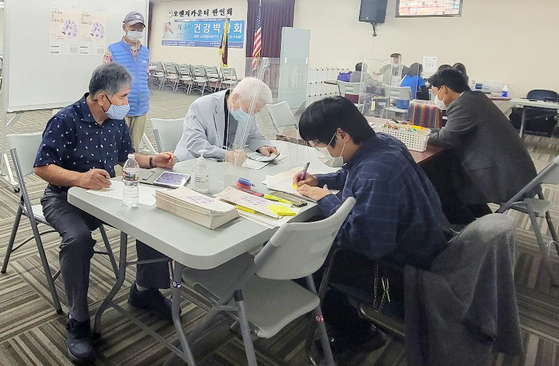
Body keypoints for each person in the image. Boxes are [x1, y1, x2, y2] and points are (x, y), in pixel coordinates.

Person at [34, 63, 175, 363]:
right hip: (64, 198)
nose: (127, 104)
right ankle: (79, 321)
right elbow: (42, 167)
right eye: (123, 97)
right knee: (78, 239)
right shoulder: (65, 120)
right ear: (102, 98)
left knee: (152, 215)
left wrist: (153, 160)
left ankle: (144, 289)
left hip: (105, 196)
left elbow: (127, 155)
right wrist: (79, 178)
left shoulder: (115, 122)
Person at [293, 96, 447, 355]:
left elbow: (367, 244)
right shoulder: (384, 144)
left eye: (320, 144)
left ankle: (358, 333)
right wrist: (319, 180)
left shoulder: (376, 174)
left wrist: (326, 199)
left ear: (341, 134)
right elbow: (352, 173)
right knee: (312, 243)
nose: (322, 151)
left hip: (400, 268)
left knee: (301, 264)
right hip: (424, 243)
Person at [428, 68, 537, 222]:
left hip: (503, 178)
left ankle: (467, 227)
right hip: (518, 174)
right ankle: (482, 223)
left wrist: (423, 135)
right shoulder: (475, 97)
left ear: (444, 90)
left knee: (441, 182)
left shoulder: (462, 104)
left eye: (435, 93)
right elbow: (451, 132)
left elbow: (447, 138)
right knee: (449, 171)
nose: (436, 98)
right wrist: (430, 132)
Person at [174, 77, 277, 162]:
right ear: (235, 98)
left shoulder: (248, 108)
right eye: (250, 110)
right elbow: (196, 143)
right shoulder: (201, 106)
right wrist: (227, 155)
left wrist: (262, 146)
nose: (252, 115)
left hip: (223, 166)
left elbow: (254, 135)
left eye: (256, 111)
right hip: (193, 163)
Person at [104, 11, 150, 153]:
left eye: (139, 28)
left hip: (141, 107)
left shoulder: (145, 51)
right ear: (124, 27)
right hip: (119, 107)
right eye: (132, 28)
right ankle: (116, 175)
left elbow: (145, 75)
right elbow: (104, 79)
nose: (136, 31)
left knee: (133, 150)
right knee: (117, 147)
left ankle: (132, 174)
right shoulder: (113, 50)